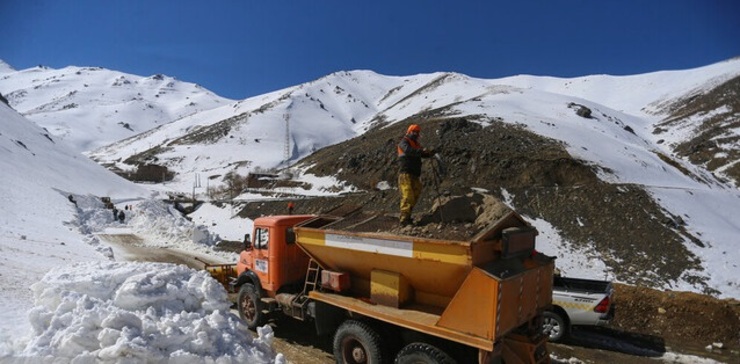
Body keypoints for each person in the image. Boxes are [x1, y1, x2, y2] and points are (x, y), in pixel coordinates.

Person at [397, 124, 435, 226]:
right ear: (409, 132)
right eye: (414, 132)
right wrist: (421, 151)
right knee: (407, 195)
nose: (416, 134)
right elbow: (409, 151)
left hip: (415, 174)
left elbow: (421, 153)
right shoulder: (404, 142)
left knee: (416, 193)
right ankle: (404, 219)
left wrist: (430, 153)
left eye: (417, 132)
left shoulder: (416, 144)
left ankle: (408, 216)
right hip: (405, 173)